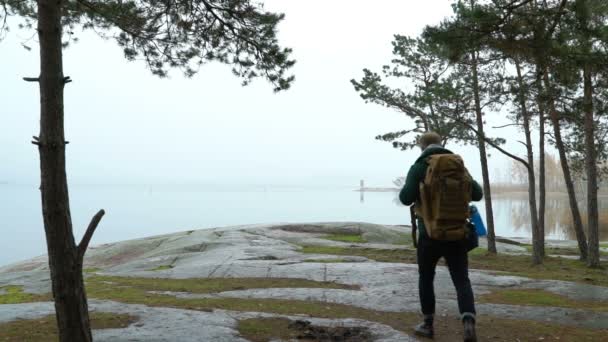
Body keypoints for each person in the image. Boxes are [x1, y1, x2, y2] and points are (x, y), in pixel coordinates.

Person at [399, 132, 483, 342]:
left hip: (429, 234)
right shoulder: (457, 165)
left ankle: (428, 325)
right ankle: (468, 323)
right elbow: (478, 194)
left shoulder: (420, 166)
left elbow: (405, 198)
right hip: (457, 233)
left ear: (421, 147)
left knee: (426, 278)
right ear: (440, 143)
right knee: (461, 280)